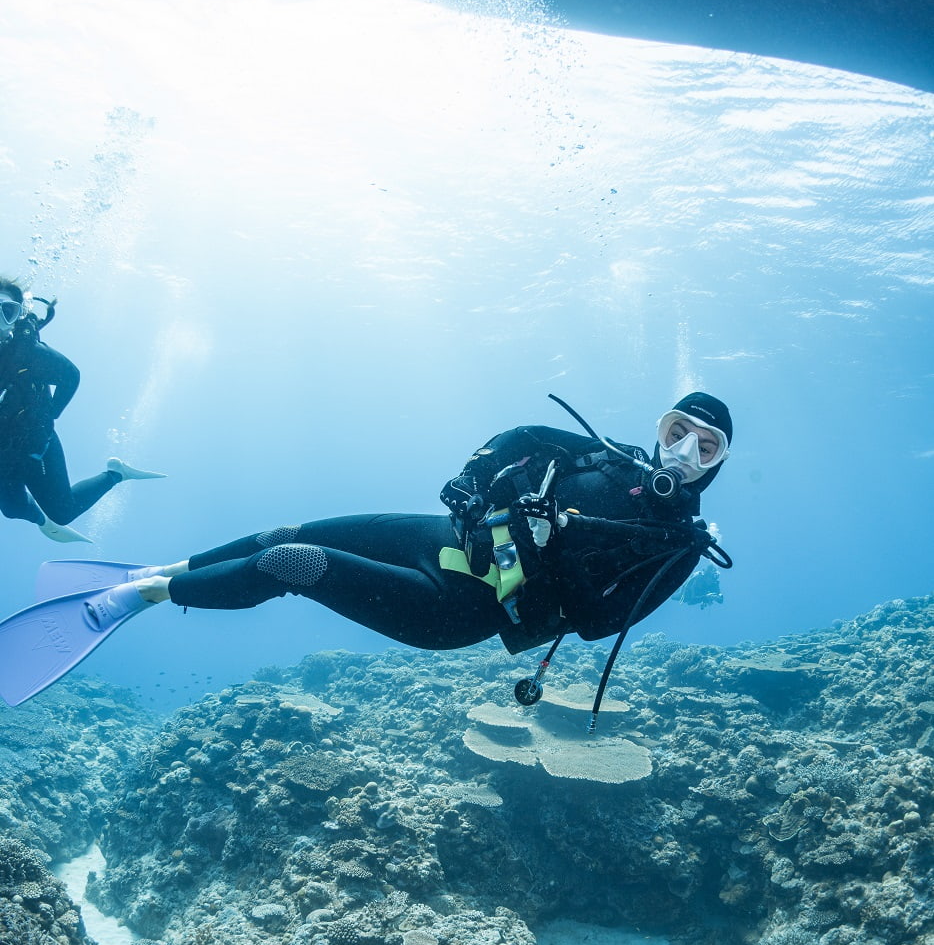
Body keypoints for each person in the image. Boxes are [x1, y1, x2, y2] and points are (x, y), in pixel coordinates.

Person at [0, 392, 733, 712]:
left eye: (706, 448)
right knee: (284, 534)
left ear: (718, 462)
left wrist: (550, 550)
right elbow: (520, 438)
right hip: (447, 539)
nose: (684, 454)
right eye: (679, 432)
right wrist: (473, 487)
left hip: (462, 608)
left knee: (291, 568)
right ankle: (166, 569)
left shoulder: (677, 546)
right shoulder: (609, 459)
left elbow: (601, 625)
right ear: (661, 425)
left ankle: (132, 599)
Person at [0, 278, 164, 543]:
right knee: (13, 509)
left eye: (6, 312)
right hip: (3, 458)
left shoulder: (28, 354)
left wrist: (47, 416)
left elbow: (70, 376)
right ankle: (42, 521)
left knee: (63, 511)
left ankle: (116, 473)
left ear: (16, 319)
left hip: (36, 446)